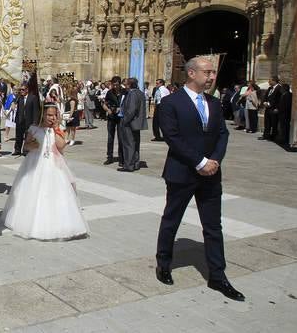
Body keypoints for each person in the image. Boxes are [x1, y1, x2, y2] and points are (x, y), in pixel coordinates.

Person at [155, 57, 244, 301]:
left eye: (214, 72)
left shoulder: (214, 103)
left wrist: (214, 160)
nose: (212, 76)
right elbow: (172, 137)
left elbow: (223, 134)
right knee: (172, 219)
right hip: (182, 172)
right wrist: (200, 162)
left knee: (213, 227)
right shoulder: (170, 102)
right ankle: (164, 263)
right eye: (208, 71)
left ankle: (217, 275)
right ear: (192, 73)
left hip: (211, 175)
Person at [2, 104, 88, 240]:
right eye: (49, 115)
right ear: (43, 115)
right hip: (35, 163)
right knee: (33, 191)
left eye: (54, 115)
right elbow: (26, 146)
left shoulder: (58, 128)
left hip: (52, 164)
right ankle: (31, 223)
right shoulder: (34, 128)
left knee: (54, 192)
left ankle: (60, 224)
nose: (52, 118)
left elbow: (61, 146)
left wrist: (55, 128)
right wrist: (32, 145)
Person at [118, 78, 148, 172]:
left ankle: (129, 165)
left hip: (130, 123)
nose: (124, 86)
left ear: (129, 85)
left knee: (128, 144)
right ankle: (135, 163)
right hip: (136, 123)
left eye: (126, 84)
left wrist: (124, 121)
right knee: (135, 144)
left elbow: (131, 110)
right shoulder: (140, 93)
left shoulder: (132, 94)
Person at [13, 83, 40, 156]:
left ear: (27, 90)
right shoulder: (19, 97)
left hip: (29, 120)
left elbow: (36, 111)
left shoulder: (33, 98)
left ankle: (26, 150)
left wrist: (35, 122)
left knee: (27, 136)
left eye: (23, 89)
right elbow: (14, 102)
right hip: (20, 119)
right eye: (20, 89)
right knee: (18, 136)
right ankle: (17, 150)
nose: (21, 91)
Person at [103, 76, 123, 165]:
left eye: (117, 85)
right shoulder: (109, 93)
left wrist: (121, 109)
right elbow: (104, 104)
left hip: (121, 118)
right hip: (111, 117)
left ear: (120, 84)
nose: (115, 87)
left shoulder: (124, 92)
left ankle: (121, 158)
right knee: (110, 137)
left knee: (121, 138)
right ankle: (109, 157)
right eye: (113, 85)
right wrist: (108, 110)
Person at [260, 75, 281, 140]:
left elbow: (278, 99)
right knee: (267, 123)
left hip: (274, 108)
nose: (269, 82)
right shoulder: (269, 88)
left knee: (274, 123)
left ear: (274, 81)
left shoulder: (279, 88)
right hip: (268, 108)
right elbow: (265, 96)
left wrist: (271, 104)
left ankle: (273, 136)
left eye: (270, 80)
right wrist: (264, 102)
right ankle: (266, 135)